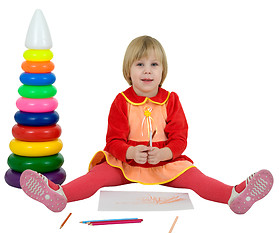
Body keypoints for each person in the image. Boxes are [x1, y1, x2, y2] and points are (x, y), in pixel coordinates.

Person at [20, 35, 273, 214]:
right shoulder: (121, 101)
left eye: (154, 64)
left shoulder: (171, 100)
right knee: (96, 177)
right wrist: (129, 152)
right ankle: (58, 194)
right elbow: (113, 141)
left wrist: (166, 152)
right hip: (125, 163)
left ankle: (235, 194)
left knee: (197, 179)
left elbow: (180, 138)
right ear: (128, 71)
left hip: (166, 163)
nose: (147, 71)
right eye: (140, 64)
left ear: (163, 71)